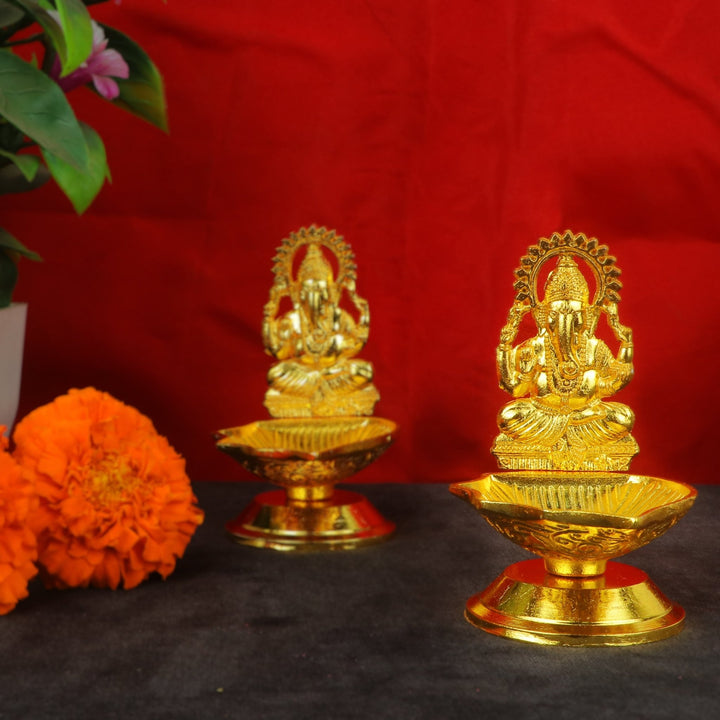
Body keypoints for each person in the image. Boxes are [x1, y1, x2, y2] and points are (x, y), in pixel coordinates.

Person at [493, 253, 637, 470]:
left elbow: (613, 385)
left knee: (623, 418)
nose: (565, 322)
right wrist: (505, 348)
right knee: (508, 416)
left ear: (587, 317)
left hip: (587, 416)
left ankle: (569, 433)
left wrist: (626, 345)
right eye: (556, 315)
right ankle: (569, 435)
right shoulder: (534, 347)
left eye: (574, 315)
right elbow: (514, 388)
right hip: (543, 417)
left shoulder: (595, 348)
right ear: (544, 316)